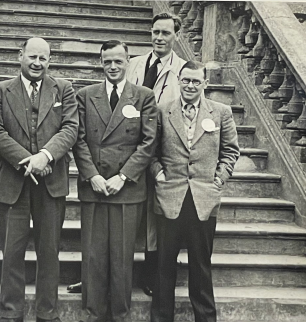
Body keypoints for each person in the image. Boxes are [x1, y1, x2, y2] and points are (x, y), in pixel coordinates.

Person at [67, 12, 187, 297]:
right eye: (155, 32)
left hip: (159, 153)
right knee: (105, 234)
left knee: (151, 226)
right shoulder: (133, 64)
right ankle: (95, 281)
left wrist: (130, 171)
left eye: (166, 33)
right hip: (120, 153)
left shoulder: (182, 70)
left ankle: (149, 278)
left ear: (177, 36)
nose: (159, 38)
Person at [0, 37, 79, 322]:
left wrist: (46, 156)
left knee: (49, 253)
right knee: (11, 253)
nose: (37, 63)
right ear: (20, 56)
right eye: (32, 57)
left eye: (43, 58)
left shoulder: (63, 89)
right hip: (13, 183)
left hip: (51, 184)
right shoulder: (0, 91)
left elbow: (70, 128)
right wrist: (30, 159)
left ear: (49, 60)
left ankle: (47, 314)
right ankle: (10, 314)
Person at [72, 40, 158, 322]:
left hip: (127, 189)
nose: (112, 66)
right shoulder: (85, 95)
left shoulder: (143, 96)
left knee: (122, 258)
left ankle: (121, 315)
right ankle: (91, 313)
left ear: (128, 61)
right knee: (94, 257)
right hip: (94, 187)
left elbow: (149, 142)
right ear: (101, 62)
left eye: (118, 61)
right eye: (107, 61)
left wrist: (123, 176)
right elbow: (79, 139)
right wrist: (93, 175)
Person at [150, 60, 240, 322]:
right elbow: (150, 151)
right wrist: (159, 174)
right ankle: (161, 318)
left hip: (204, 199)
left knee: (201, 266)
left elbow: (231, 151)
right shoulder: (162, 110)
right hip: (170, 197)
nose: (190, 85)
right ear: (179, 80)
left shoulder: (220, 112)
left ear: (205, 84)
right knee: (164, 265)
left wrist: (219, 179)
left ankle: (205, 318)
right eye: (186, 80)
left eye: (196, 81)